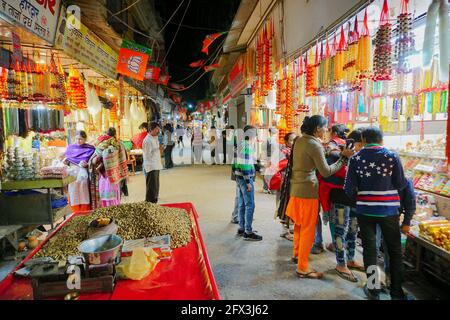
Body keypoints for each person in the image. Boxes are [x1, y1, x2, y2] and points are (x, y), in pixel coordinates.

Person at [344, 127, 409, 300]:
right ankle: (396, 291)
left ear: (363, 140)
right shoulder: (393, 156)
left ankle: (373, 288)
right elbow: (401, 183)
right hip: (389, 211)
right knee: (394, 251)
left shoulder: (356, 158)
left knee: (370, 250)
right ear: (381, 140)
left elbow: (348, 189)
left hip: (365, 211)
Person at [287, 116, 354, 279]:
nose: (326, 131)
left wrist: (330, 152)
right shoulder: (314, 144)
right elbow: (325, 171)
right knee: (308, 229)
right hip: (308, 191)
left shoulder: (300, 140)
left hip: (295, 189)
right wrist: (344, 158)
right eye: (325, 128)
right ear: (317, 128)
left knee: (299, 225)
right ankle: (302, 267)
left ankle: (297, 254)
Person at [317, 129, 366, 282]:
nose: (360, 148)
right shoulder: (334, 155)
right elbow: (327, 174)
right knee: (340, 232)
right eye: (360, 145)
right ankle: (340, 263)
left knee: (352, 230)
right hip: (339, 200)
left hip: (353, 201)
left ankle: (350, 259)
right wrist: (345, 157)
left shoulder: (360, 158)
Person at [312, 123, 350, 254]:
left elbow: (325, 170)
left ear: (333, 132)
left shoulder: (331, 145)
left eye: (328, 130)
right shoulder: (349, 146)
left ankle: (319, 243)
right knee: (342, 221)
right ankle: (338, 245)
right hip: (346, 190)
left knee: (329, 217)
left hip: (329, 188)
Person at [233, 125, 262, 241]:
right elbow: (244, 165)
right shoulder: (246, 146)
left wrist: (238, 177)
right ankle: (248, 232)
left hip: (239, 178)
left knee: (242, 203)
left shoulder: (240, 145)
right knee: (250, 205)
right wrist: (248, 181)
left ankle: (242, 228)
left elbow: (235, 164)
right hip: (245, 179)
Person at [93, 127, 128, 208]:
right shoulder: (120, 144)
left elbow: (94, 160)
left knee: (105, 193)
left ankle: (106, 210)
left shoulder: (101, 145)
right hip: (115, 175)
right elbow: (125, 158)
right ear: (115, 134)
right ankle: (115, 208)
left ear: (105, 134)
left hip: (104, 175)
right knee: (115, 193)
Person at [64, 130, 95, 212]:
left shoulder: (90, 149)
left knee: (83, 191)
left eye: (81, 139)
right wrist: (65, 162)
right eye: (77, 138)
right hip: (72, 171)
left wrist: (87, 164)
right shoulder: (71, 148)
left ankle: (85, 210)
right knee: (73, 190)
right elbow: (67, 160)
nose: (78, 141)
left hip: (83, 173)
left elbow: (92, 162)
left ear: (85, 139)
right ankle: (75, 211)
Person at [274, 132, 297, 241]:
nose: (294, 142)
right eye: (292, 140)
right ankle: (285, 230)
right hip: (283, 184)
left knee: (289, 206)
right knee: (282, 206)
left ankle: (289, 228)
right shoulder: (283, 153)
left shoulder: (295, 152)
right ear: (286, 142)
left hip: (291, 184)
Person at [143, 122, 164, 203]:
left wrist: (160, 150)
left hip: (156, 165)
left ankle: (154, 202)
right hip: (151, 166)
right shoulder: (147, 140)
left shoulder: (155, 138)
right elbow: (147, 155)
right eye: (156, 129)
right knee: (151, 187)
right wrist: (157, 149)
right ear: (151, 129)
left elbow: (157, 151)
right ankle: (149, 203)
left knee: (155, 187)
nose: (158, 131)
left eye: (158, 129)